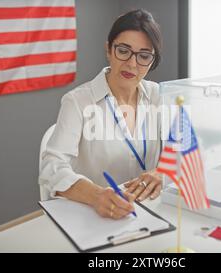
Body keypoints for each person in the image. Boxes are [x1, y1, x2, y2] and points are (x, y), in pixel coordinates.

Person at [39, 9, 163, 220]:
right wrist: (97, 196)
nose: (132, 64)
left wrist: (162, 172)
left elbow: (184, 147)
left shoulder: (157, 95)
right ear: (108, 49)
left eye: (144, 56)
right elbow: (52, 168)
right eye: (123, 50)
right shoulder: (77, 101)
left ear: (152, 61)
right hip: (95, 216)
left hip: (149, 211)